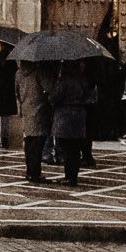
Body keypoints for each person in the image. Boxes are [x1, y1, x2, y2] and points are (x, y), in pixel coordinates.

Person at [42, 56, 92, 186]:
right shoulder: (83, 80)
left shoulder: (63, 80)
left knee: (66, 147)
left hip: (65, 116)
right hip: (79, 115)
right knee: (75, 148)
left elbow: (54, 97)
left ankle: (69, 177)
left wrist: (50, 96)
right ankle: (73, 176)